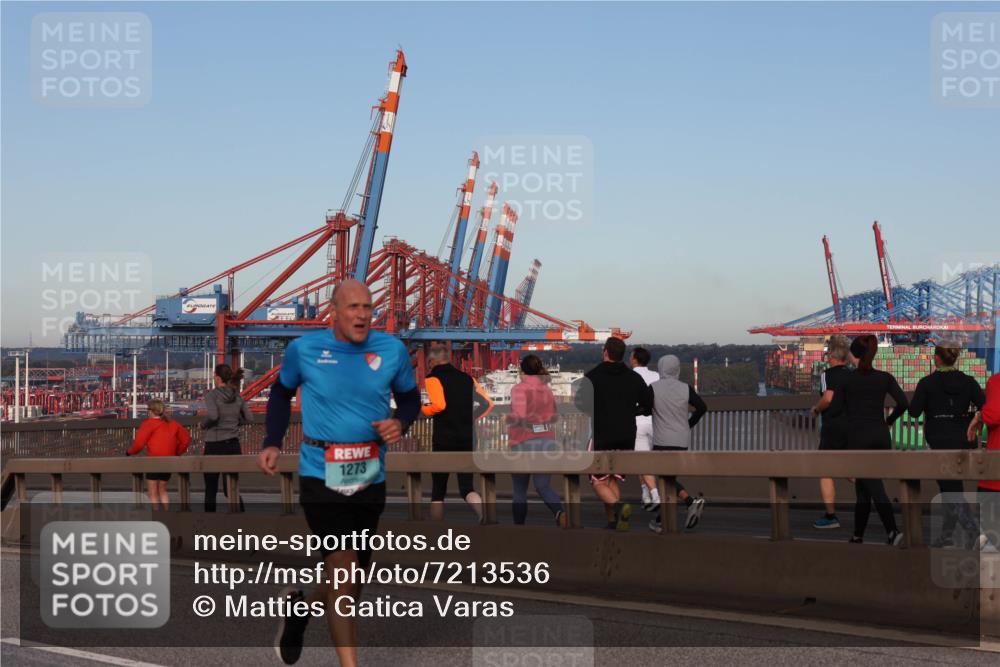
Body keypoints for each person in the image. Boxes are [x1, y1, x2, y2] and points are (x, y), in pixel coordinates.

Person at [257, 279, 420, 667]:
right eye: (353, 308)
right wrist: (273, 441)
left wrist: (402, 421)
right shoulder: (305, 350)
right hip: (320, 472)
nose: (362, 315)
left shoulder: (391, 349)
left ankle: (300, 611)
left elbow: (411, 397)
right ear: (334, 310)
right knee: (344, 573)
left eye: (367, 307)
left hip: (370, 474)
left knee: (351, 581)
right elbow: (280, 393)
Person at [826, 335, 907, 546]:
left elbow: (834, 411)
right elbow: (903, 403)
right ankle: (857, 535)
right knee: (863, 490)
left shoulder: (846, 380)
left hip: (858, 439)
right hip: (880, 437)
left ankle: (892, 531)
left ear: (853, 354)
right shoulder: (884, 377)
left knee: (873, 486)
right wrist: (889, 420)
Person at [909, 341, 986, 548]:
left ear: (937, 358)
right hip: (963, 440)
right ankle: (947, 536)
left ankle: (973, 532)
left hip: (939, 440)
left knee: (950, 489)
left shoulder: (927, 383)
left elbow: (914, 411)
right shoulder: (968, 382)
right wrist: (974, 417)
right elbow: (984, 405)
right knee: (950, 487)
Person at [573, 336, 652, 530]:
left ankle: (619, 507)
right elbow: (648, 405)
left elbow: (580, 404)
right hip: (627, 435)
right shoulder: (634, 377)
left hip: (603, 434)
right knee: (610, 477)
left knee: (597, 480)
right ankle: (613, 521)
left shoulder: (593, 376)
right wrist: (631, 411)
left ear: (606, 352)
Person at [421, 345, 494, 522]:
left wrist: (423, 410)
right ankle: (484, 515)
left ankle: (437, 534)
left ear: (432, 361)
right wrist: (472, 418)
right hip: (468, 438)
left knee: (438, 489)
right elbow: (488, 403)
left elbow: (439, 405)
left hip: (444, 439)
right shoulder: (467, 378)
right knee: (466, 486)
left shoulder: (432, 378)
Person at [646, 355, 708, 534]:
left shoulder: (654, 388)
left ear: (661, 368)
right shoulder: (685, 388)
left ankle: (688, 504)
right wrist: (688, 424)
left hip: (662, 440)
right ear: (677, 369)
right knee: (669, 478)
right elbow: (702, 408)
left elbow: (643, 407)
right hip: (681, 440)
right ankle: (663, 518)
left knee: (664, 477)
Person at [507, 355, 566, 527]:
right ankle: (560, 513)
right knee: (543, 486)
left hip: (522, 442)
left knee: (519, 490)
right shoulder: (546, 389)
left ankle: (519, 529)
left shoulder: (519, 389)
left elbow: (519, 415)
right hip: (546, 441)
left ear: (522, 371)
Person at [809, 335, 852, 530]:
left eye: (828, 353)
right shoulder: (853, 375)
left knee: (825, 470)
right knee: (852, 470)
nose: (826, 356)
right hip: (852, 427)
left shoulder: (828, 375)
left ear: (832, 356)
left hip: (833, 427)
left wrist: (816, 409)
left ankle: (830, 516)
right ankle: (874, 493)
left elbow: (828, 398)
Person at [202, 363, 253, 512]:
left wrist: (203, 425)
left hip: (214, 444)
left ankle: (209, 525)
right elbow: (249, 418)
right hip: (233, 444)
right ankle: (240, 519)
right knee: (231, 487)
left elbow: (213, 416)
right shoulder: (238, 396)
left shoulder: (211, 395)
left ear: (217, 378)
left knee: (210, 489)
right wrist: (235, 422)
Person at [127, 399, 191, 509]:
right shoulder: (173, 424)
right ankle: (166, 514)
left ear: (151, 411)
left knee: (152, 491)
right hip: (168, 461)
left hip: (154, 461)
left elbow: (139, 444)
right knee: (163, 489)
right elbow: (186, 440)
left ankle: (157, 516)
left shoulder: (148, 424)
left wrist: (129, 452)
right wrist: (177, 452)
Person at [970, 372, 999, 551]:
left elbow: (994, 413)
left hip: (995, 479)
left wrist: (980, 416)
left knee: (991, 548)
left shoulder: (996, 381)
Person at [630, 347, 661, 512]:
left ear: (634, 359)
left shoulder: (630, 377)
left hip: (638, 422)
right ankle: (646, 495)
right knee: (643, 460)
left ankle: (655, 495)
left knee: (641, 460)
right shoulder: (656, 375)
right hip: (656, 422)